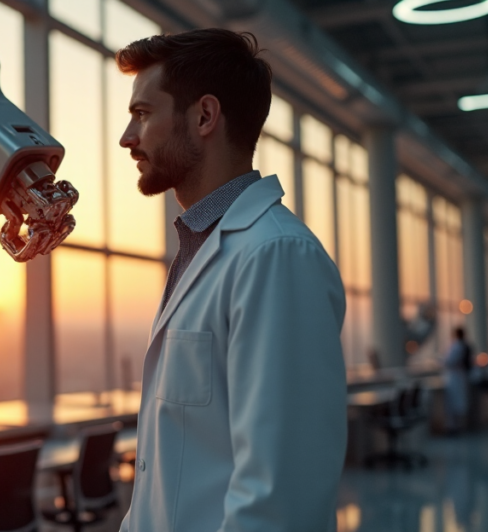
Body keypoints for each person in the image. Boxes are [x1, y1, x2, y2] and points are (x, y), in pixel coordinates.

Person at [115, 30, 347, 531]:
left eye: (142, 114)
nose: (127, 138)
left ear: (204, 116)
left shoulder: (277, 256)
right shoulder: (203, 250)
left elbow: (280, 497)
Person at [442, 327, 471, 434]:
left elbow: (449, 361)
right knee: (457, 403)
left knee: (452, 404)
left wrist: (441, 361)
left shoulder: (457, 346)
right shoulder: (463, 346)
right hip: (458, 376)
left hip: (454, 377)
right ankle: (456, 426)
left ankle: (453, 427)